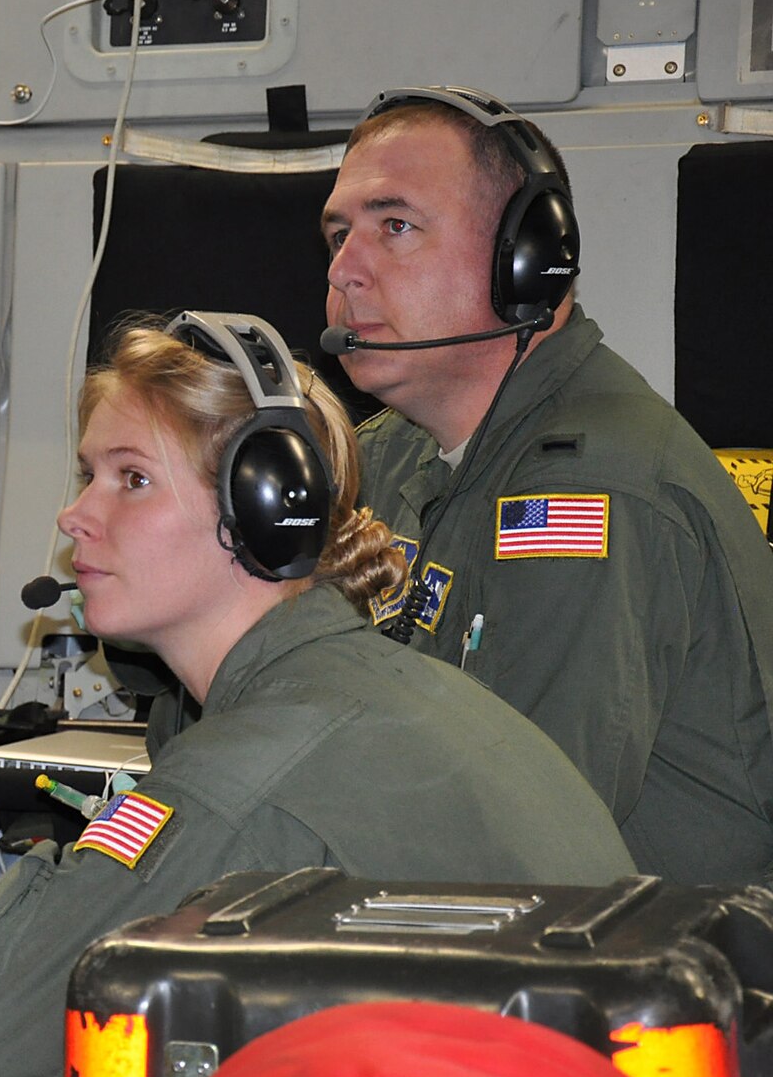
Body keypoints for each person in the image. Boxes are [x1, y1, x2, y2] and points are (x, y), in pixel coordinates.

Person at [0, 312, 637, 1077]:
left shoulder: (232, 790)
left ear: (260, 508)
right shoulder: (408, 699)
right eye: (88, 473)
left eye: (132, 479)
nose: (76, 513)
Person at [321, 85, 773, 885]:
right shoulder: (384, 458)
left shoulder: (594, 494)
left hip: (657, 969)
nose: (345, 269)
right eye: (338, 233)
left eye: (395, 226)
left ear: (528, 262)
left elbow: (514, 848)